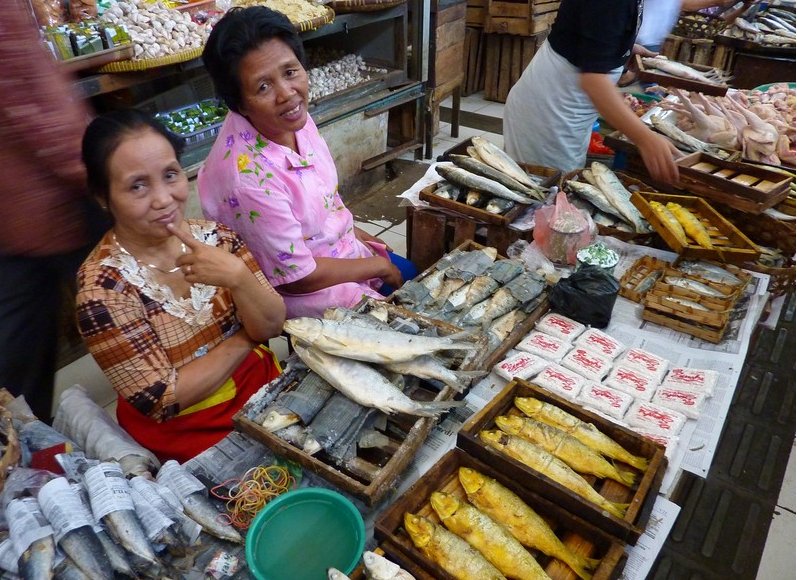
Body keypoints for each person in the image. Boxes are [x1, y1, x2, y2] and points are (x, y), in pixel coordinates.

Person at [75, 109, 286, 462]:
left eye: (170, 175)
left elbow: (273, 324)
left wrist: (237, 276)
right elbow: (162, 399)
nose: (163, 199)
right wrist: (246, 338)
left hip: (260, 390)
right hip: (188, 431)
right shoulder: (103, 290)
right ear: (102, 197)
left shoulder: (218, 239)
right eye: (137, 185)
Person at [198, 6, 417, 319]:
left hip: (334, 251)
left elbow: (324, 198)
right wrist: (377, 265)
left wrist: (356, 233)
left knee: (415, 277)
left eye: (290, 72)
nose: (287, 93)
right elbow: (297, 278)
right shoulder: (249, 179)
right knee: (406, 320)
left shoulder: (291, 119)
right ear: (239, 103)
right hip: (303, 288)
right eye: (263, 86)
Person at [0, 0, 101, 421]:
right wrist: (96, 169)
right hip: (48, 203)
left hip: (21, 210)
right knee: (128, 305)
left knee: (20, 346)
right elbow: (27, 98)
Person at [503, 0, 681, 184]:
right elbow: (594, 82)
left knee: (561, 188)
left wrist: (624, 50)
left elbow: (590, 31)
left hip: (567, 111)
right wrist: (646, 139)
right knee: (543, 194)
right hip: (550, 114)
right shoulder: (612, 4)